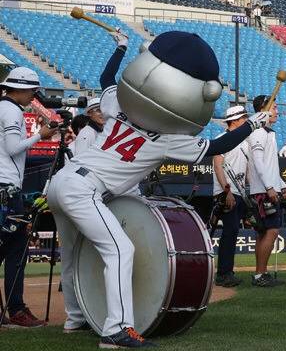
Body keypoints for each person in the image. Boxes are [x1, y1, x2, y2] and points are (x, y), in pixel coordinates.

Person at [47, 31, 269, 348]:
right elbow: (218, 145)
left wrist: (121, 47)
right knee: (120, 250)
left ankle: (76, 319)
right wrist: (253, 124)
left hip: (63, 181)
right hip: (83, 188)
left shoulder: (117, 106)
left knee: (72, 256)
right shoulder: (167, 136)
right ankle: (116, 330)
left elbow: (107, 77)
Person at [0, 66, 56, 327]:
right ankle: (17, 309)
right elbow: (13, 148)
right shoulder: (10, 110)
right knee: (14, 252)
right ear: (21, 88)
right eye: (32, 90)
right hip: (6, 192)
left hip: (6, 189)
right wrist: (40, 136)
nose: (34, 96)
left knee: (14, 250)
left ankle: (15, 309)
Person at [247, 95, 286, 287]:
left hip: (268, 188)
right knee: (272, 231)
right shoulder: (258, 132)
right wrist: (269, 187)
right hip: (263, 191)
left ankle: (261, 274)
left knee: (264, 233)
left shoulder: (268, 133)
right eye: (274, 107)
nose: (277, 111)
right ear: (263, 110)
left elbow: (270, 166)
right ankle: (260, 275)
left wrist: (282, 185)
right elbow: (258, 163)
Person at [212, 105, 250, 288]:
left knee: (233, 231)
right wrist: (226, 191)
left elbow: (247, 169)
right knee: (230, 231)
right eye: (243, 118)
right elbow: (218, 166)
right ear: (234, 120)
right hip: (226, 192)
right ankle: (223, 273)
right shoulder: (222, 139)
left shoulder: (245, 141)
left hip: (239, 191)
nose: (246, 120)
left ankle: (228, 271)